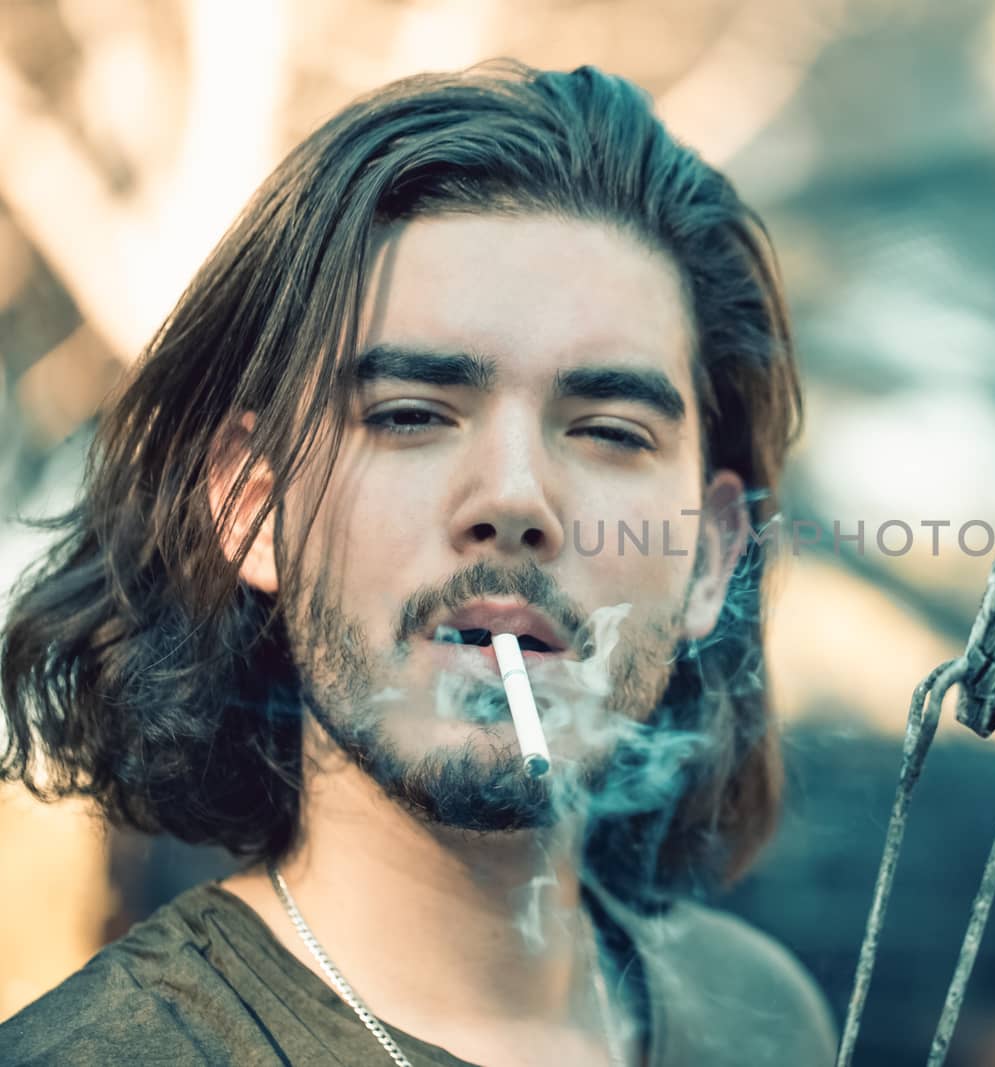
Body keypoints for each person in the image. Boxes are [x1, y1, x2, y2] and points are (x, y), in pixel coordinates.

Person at [0, 60, 834, 1066]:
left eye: (610, 430)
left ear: (708, 555)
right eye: (410, 416)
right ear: (255, 505)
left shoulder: (762, 1018)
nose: (515, 498)